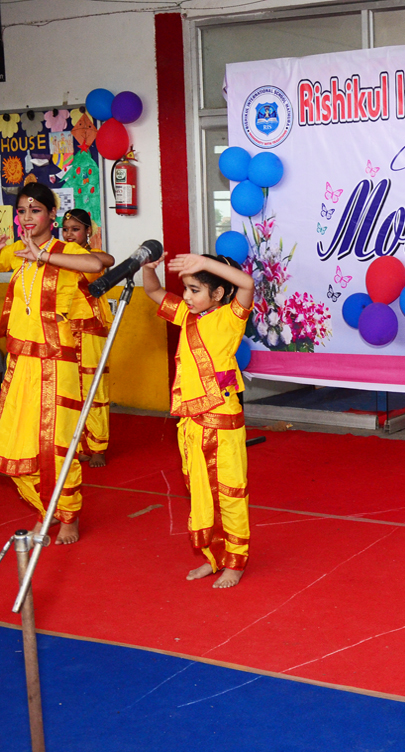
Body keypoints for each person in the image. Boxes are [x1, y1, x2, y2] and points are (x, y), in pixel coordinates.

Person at [0, 182, 105, 545]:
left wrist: (45, 257)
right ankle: (46, 509)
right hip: (20, 363)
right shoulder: (16, 251)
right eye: (21, 211)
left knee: (55, 444)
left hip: (56, 363)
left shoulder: (65, 250)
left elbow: (99, 263)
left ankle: (68, 516)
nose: (27, 217)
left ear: (52, 214)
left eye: (35, 210)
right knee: (14, 444)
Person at [142, 252, 255, 588]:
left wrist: (205, 265)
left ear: (218, 293)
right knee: (202, 494)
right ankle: (214, 557)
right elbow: (153, 291)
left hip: (222, 423)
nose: (187, 297)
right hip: (192, 423)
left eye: (194, 290)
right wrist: (147, 269)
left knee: (229, 494)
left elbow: (247, 284)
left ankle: (235, 561)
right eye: (186, 289)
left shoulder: (231, 318)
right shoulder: (187, 316)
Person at [62, 209, 116, 467]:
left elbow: (109, 260)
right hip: (64, 328)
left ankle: (97, 446)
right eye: (65, 229)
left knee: (94, 387)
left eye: (75, 229)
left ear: (88, 232)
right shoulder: (58, 255)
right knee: (70, 388)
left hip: (91, 329)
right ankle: (78, 444)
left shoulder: (92, 256)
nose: (69, 234)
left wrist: (74, 253)